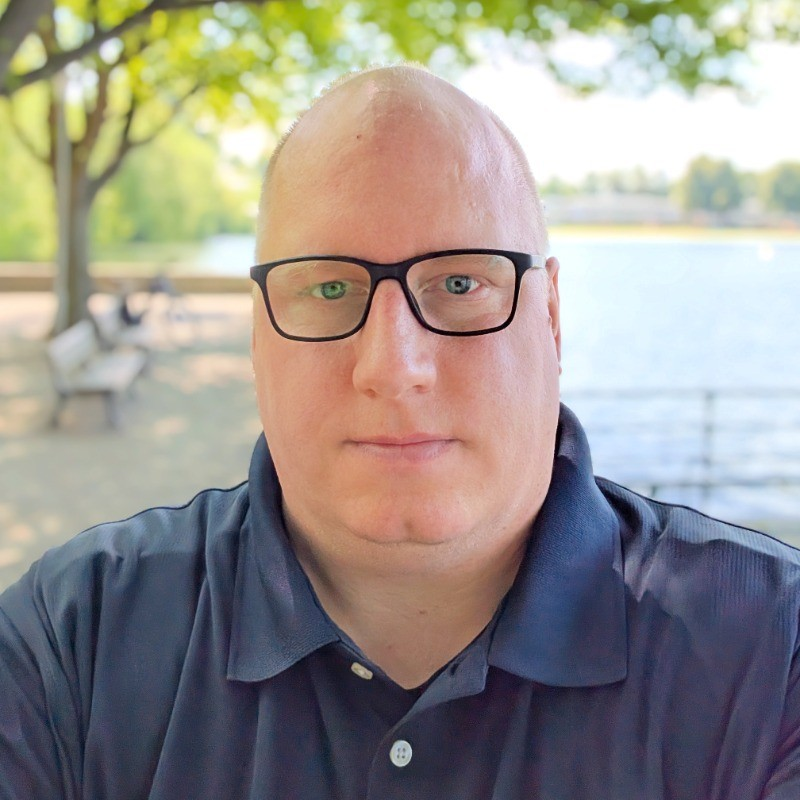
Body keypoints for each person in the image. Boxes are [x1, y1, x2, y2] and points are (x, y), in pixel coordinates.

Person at [1, 65, 799, 800]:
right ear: (258, 335)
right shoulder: (70, 645)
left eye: (460, 281)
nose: (392, 367)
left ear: (552, 318)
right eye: (329, 288)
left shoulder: (770, 652)